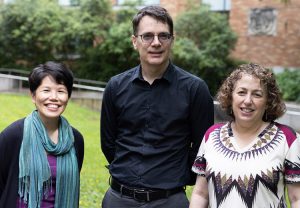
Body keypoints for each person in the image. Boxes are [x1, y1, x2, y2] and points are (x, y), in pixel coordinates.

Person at [100, 5, 214, 208]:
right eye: (147, 36)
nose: (156, 43)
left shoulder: (195, 89)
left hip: (170, 201)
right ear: (135, 41)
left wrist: (170, 177)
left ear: (172, 39)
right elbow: (108, 143)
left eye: (163, 36)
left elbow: (202, 150)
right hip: (118, 199)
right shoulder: (115, 86)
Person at [189, 63, 300, 208]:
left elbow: (297, 198)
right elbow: (200, 194)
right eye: (241, 92)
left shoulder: (288, 139)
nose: (248, 101)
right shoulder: (212, 136)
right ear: (230, 97)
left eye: (257, 94)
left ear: (268, 101)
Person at [0, 61, 84, 208]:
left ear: (68, 97)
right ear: (33, 95)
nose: (54, 97)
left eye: (61, 91)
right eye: (46, 90)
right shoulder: (13, 136)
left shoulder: (75, 140)